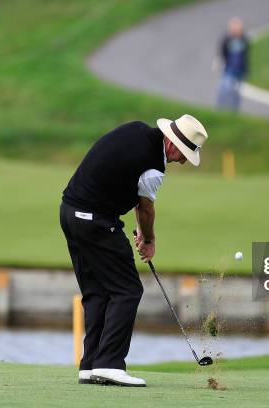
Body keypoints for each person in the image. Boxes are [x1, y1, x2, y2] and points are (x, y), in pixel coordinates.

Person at [59, 114, 208, 387]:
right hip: (96, 221)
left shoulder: (136, 130)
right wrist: (148, 239)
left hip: (69, 213)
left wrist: (139, 226)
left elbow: (122, 178)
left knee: (98, 292)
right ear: (173, 144)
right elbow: (145, 208)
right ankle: (109, 364)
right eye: (184, 154)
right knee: (127, 290)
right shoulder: (154, 170)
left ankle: (90, 365)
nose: (183, 161)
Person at [216, 17, 250, 111]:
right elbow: (222, 51)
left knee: (236, 92)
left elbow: (246, 54)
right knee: (225, 89)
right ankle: (220, 108)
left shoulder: (243, 39)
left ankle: (234, 110)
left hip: (240, 69)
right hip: (229, 69)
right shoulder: (227, 39)